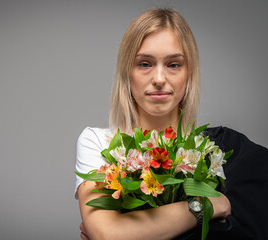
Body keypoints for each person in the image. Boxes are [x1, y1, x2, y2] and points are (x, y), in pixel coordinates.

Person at [75, 8, 268, 240]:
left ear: (189, 73)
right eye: (145, 64)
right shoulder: (98, 143)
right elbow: (108, 234)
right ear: (127, 72)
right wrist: (206, 205)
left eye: (173, 64)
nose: (158, 78)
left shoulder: (223, 149)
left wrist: (132, 227)